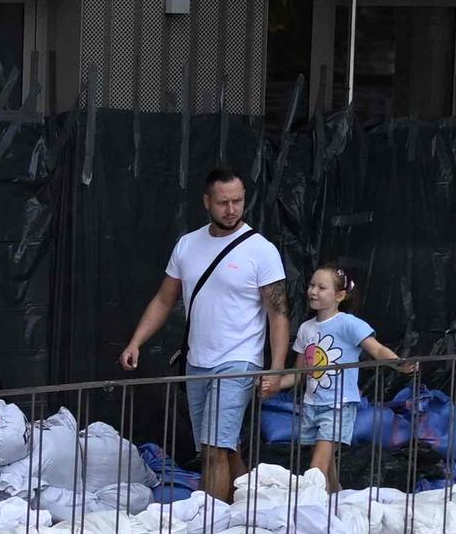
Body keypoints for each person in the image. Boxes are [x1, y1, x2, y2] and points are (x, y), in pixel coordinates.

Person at [121, 167, 286, 503]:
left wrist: (277, 368)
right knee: (225, 446)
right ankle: (251, 506)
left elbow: (278, 314)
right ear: (207, 202)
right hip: (197, 362)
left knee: (212, 450)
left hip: (239, 362)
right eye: (223, 202)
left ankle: (209, 528)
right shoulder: (188, 245)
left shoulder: (261, 250)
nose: (232, 209)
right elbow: (165, 298)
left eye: (238, 200)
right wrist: (136, 341)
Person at [290, 260, 415, 489]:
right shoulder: (305, 328)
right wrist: (273, 384)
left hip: (338, 405)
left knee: (317, 466)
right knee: (326, 467)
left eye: (321, 287)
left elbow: (375, 348)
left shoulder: (348, 324)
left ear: (340, 295)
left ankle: (312, 511)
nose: (313, 291)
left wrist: (397, 363)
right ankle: (334, 497)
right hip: (311, 404)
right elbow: (299, 373)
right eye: (311, 285)